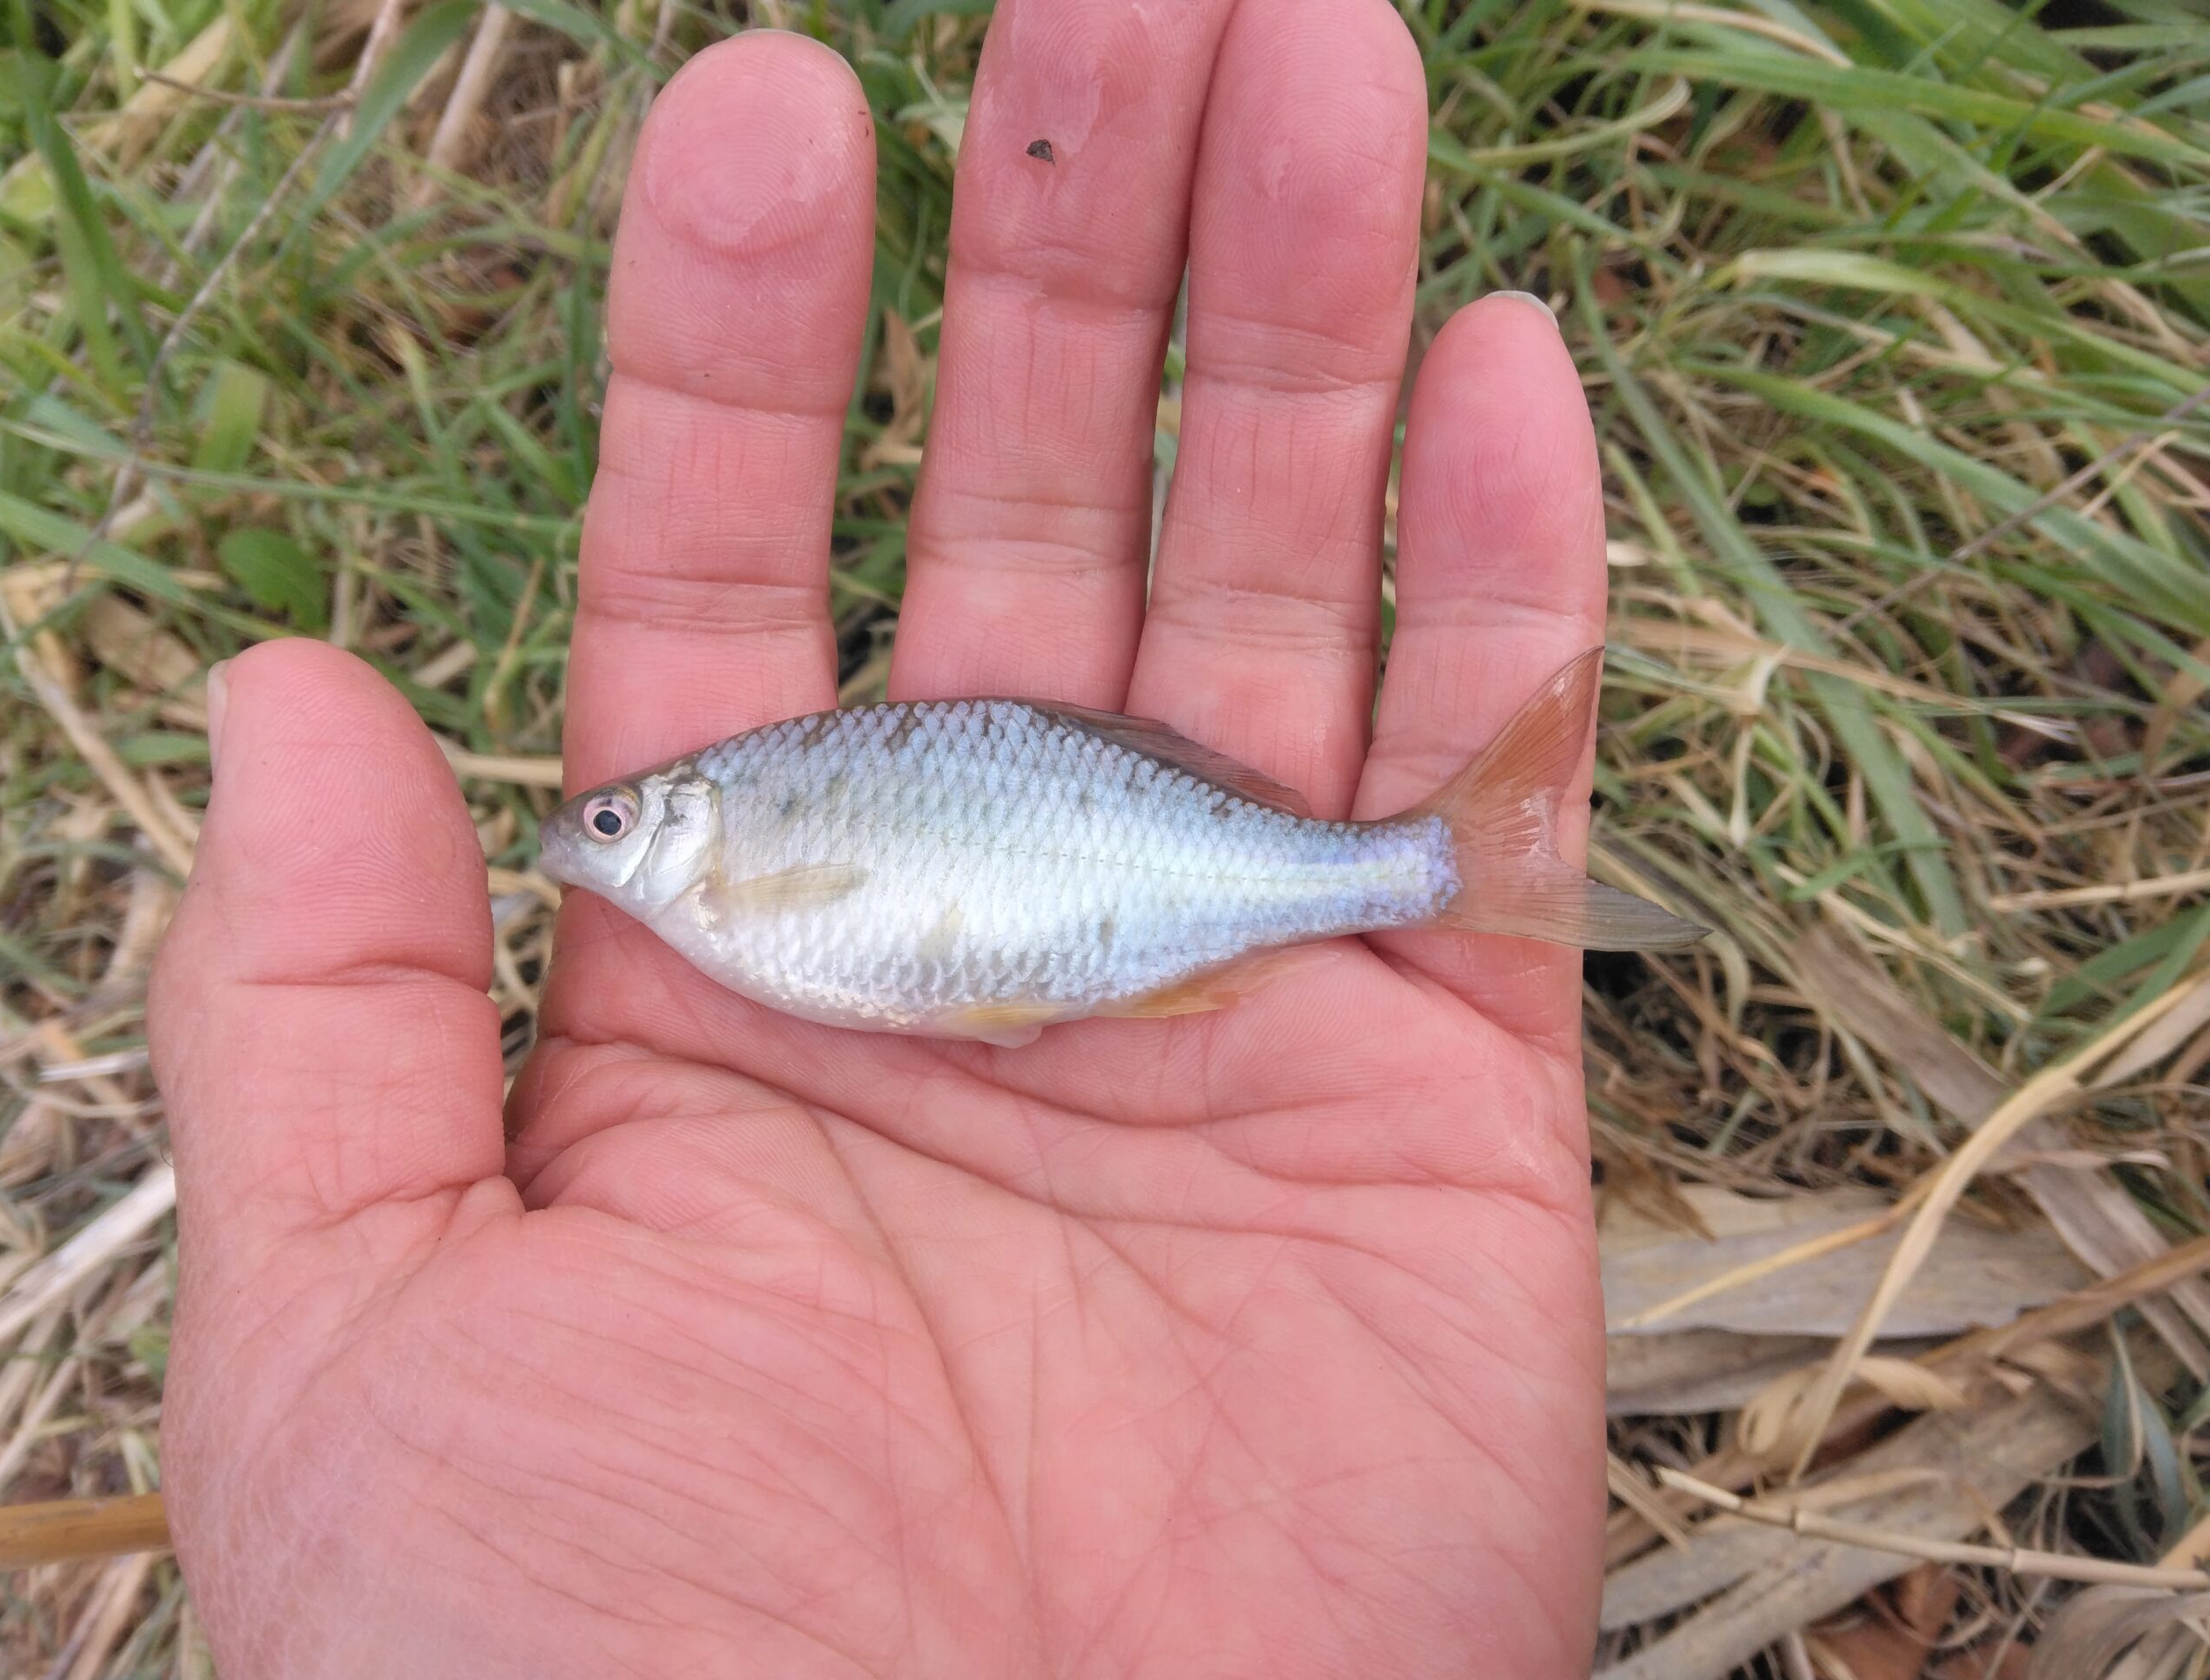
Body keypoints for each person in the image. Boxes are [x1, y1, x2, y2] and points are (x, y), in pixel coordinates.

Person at [148, 8, 1616, 1676]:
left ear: (685, 824)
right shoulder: (728, 883)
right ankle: (1436, 864)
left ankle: (1439, 862)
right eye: (602, 822)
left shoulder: (732, 871)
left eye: (615, 822)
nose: (589, 839)